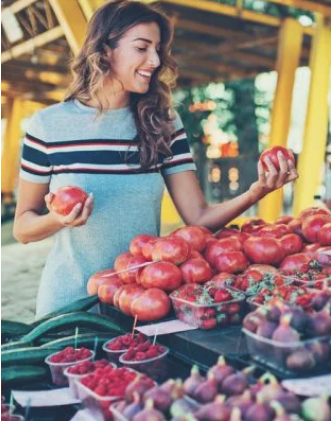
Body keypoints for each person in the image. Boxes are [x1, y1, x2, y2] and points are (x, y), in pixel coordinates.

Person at [13, 0, 298, 317]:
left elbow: (199, 217)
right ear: (105, 51)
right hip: (69, 305)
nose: (155, 60)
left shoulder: (162, 123)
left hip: (144, 305)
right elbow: (23, 227)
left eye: (158, 49)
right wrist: (58, 219)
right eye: (142, 48)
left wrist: (257, 191)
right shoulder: (48, 125)